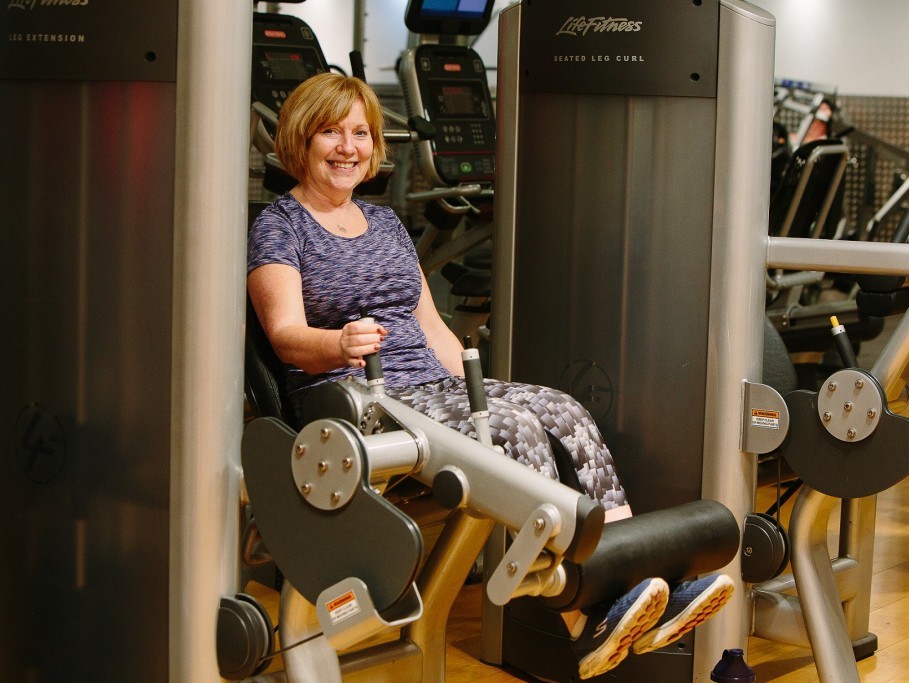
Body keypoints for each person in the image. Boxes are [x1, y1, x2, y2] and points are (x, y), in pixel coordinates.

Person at [247, 72, 733, 679]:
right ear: (301, 138)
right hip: (356, 399)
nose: (348, 147)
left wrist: (481, 390)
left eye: (361, 133)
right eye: (330, 132)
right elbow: (285, 334)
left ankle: (626, 580)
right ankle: (582, 613)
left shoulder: (387, 224)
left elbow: (431, 328)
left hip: (427, 385)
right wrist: (337, 341)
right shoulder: (281, 226)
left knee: (558, 409)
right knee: (513, 430)